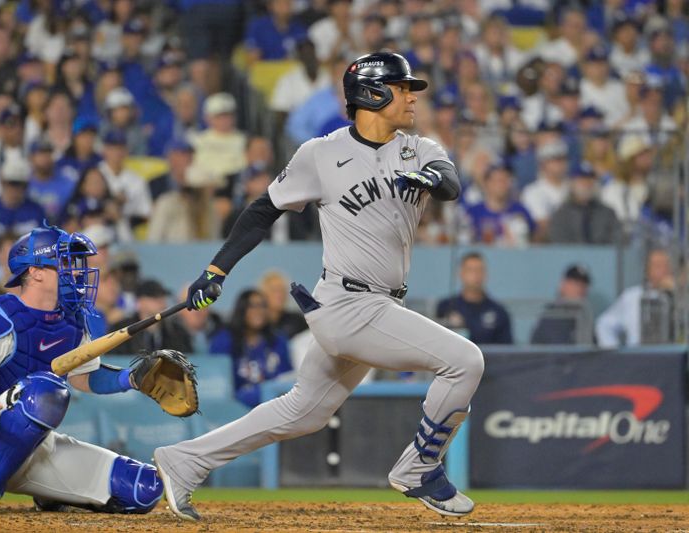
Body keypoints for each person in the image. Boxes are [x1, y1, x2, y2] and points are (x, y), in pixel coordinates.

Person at [154, 52, 481, 521]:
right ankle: (420, 467)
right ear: (373, 94)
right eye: (403, 87)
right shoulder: (320, 154)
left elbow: (449, 184)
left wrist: (434, 177)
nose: (412, 96)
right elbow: (262, 211)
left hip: (375, 305)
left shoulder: (419, 148)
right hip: (349, 304)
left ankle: (185, 460)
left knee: (302, 413)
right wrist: (216, 270)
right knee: (466, 361)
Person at [0, 223, 165, 514]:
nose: (77, 271)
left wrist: (131, 378)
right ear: (35, 271)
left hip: (34, 448)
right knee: (47, 390)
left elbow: (84, 378)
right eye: (65, 263)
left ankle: (49, 492)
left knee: (143, 489)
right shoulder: (0, 317)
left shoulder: (72, 321)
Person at [208, 288, 292, 408]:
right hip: (236, 405)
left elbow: (286, 376)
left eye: (263, 305)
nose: (259, 311)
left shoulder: (277, 340)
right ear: (241, 309)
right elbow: (218, 384)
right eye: (252, 306)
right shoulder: (224, 340)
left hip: (276, 403)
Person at [596, 248, 675, 348]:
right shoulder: (632, 296)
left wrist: (673, 293)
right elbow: (604, 324)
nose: (664, 270)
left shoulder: (681, 299)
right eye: (658, 266)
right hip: (638, 356)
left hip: (672, 357)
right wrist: (614, 355)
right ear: (647, 270)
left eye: (666, 266)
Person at [436, 252, 513, 345]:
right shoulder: (446, 307)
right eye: (471, 270)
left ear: (486, 274)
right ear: (461, 274)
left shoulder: (499, 312)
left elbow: (506, 352)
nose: (476, 275)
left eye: (480, 270)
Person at [109, 279, 191, 354]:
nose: (161, 301)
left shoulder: (177, 333)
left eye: (163, 297)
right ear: (140, 301)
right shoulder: (122, 330)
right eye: (154, 297)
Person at [547, 162, 620, 244]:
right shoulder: (561, 214)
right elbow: (559, 244)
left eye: (589, 180)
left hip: (603, 256)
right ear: (572, 184)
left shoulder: (607, 213)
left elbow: (617, 242)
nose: (586, 185)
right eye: (581, 180)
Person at [466, 163, 535, 246]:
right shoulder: (474, 212)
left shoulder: (520, 211)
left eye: (506, 180)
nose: (503, 185)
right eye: (498, 181)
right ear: (487, 183)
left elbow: (533, 239)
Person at [0, 155, 45, 239]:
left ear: (26, 186)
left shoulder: (36, 210)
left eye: (20, 184)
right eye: (11, 183)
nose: (15, 189)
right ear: (2, 182)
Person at [530, 264, 594, 345]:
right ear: (563, 284)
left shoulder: (586, 317)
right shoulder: (551, 316)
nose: (580, 289)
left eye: (583, 285)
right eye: (575, 283)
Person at [258, 270, 307, 338]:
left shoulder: (297, 321)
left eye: (282, 290)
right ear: (263, 294)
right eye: (274, 290)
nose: (279, 295)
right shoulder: (257, 323)